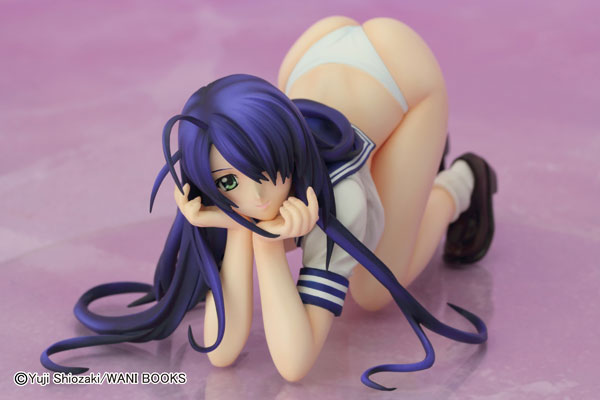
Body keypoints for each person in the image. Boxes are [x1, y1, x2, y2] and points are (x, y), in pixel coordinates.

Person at [41, 17, 496, 391]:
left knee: (373, 292)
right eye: (227, 181)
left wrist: (267, 247)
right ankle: (398, 167)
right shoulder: (237, 200)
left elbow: (295, 365)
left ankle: (461, 180)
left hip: (405, 74)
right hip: (312, 52)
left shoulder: (342, 200)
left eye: (261, 170)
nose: (256, 198)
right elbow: (221, 351)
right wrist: (243, 231)